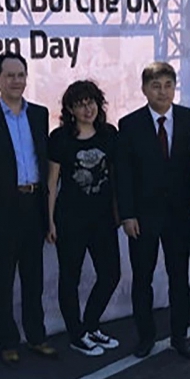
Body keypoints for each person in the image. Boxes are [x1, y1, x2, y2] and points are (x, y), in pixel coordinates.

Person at [0, 52, 57, 366]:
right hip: (3, 209)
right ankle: (7, 341)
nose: (16, 81)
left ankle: (37, 336)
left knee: (34, 277)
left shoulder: (40, 114)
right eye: (9, 75)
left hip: (34, 204)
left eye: (21, 75)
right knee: (3, 279)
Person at [116, 61, 190, 360]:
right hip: (142, 217)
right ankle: (146, 337)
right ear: (144, 89)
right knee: (142, 279)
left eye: (168, 85)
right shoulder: (130, 124)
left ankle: (180, 336)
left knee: (179, 278)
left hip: (180, 214)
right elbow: (123, 174)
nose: (162, 92)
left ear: (174, 87)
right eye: (156, 86)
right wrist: (127, 214)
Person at [47, 80, 121, 357]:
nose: (87, 109)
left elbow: (116, 175)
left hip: (103, 218)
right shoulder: (60, 138)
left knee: (111, 273)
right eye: (80, 104)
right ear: (70, 109)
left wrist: (120, 212)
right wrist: (49, 221)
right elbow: (52, 182)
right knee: (70, 278)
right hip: (70, 219)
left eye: (91, 102)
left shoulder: (109, 134)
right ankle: (76, 334)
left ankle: (90, 325)